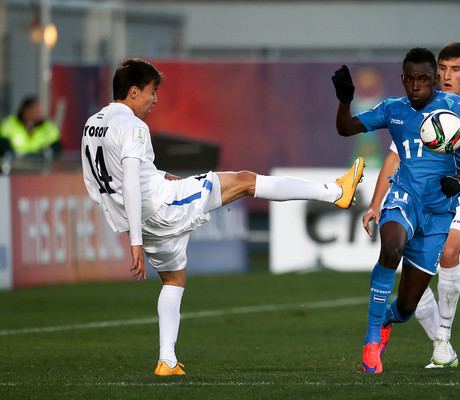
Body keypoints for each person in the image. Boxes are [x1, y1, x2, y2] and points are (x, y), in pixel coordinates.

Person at [81, 58, 365, 376]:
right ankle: (335, 193)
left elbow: (104, 178)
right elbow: (131, 180)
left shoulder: (94, 123)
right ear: (133, 92)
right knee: (244, 181)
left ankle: (167, 360)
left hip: (145, 220)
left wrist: (152, 185)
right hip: (160, 208)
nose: (154, 99)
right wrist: (135, 240)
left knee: (174, 278)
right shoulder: (133, 126)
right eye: (152, 92)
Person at [332, 48, 460, 374]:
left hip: (439, 211)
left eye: (422, 79)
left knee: (406, 307)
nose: (416, 85)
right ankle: (372, 337)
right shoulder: (393, 110)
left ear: (433, 80)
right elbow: (345, 129)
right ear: (402, 79)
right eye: (410, 79)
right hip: (403, 196)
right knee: (390, 246)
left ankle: (388, 319)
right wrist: (345, 100)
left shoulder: (455, 108)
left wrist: (458, 180)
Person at [361, 42, 460, 369]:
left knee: (448, 252)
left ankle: (442, 337)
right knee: (407, 274)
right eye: (443, 68)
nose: (447, 75)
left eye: (455, 69)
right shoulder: (415, 108)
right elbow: (393, 158)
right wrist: (375, 204)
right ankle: (430, 338)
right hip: (415, 194)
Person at [0, 96, 61, 171]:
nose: (39, 113)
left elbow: (56, 148)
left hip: (41, 169)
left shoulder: (48, 127)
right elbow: (3, 147)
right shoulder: (9, 125)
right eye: (35, 110)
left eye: (39, 110)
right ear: (25, 110)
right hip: (14, 169)